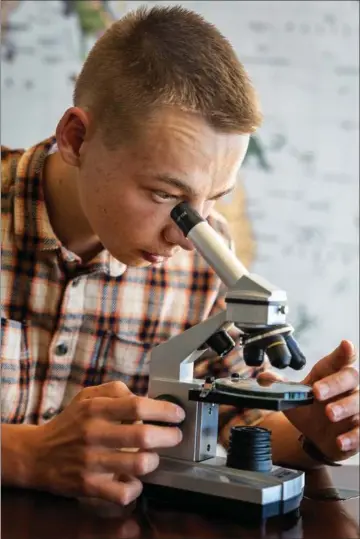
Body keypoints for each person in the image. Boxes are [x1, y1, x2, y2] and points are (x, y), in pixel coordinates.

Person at [1, 5, 358, 507]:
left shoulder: (204, 260)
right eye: (167, 195)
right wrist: (25, 454)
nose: (190, 236)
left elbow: (229, 423)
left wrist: (314, 433)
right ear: (77, 139)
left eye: (214, 197)